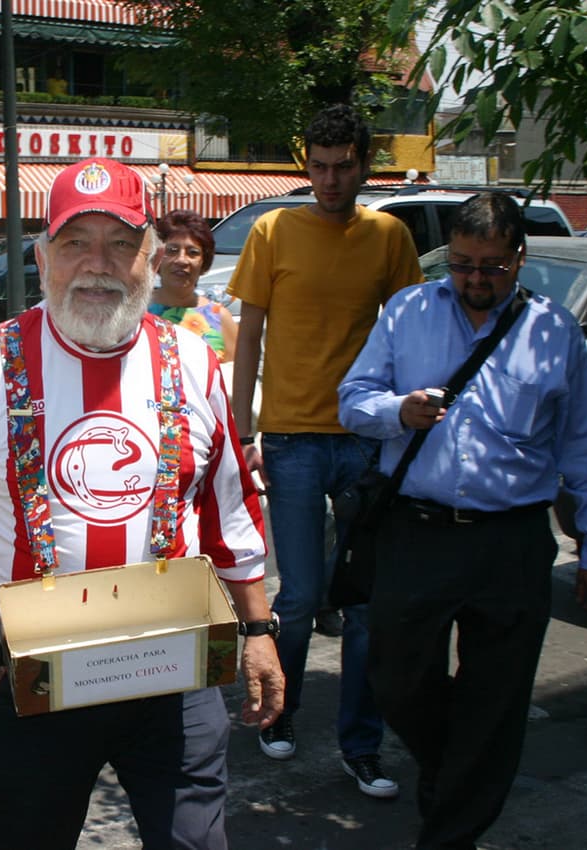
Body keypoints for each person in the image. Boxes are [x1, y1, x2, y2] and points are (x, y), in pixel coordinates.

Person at [0, 157, 283, 849]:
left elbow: (232, 511)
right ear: (43, 256)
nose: (97, 264)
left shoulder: (194, 362)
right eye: (76, 242)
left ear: (153, 257)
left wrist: (257, 634)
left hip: (175, 666)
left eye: (120, 243)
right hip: (31, 673)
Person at [339, 192, 587, 850]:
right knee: (396, 677)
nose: (474, 279)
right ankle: (459, 769)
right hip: (417, 531)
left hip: (511, 541)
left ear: (519, 259)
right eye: (462, 264)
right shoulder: (408, 312)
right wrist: (395, 411)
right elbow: (352, 400)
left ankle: (450, 833)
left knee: (496, 698)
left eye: (492, 266)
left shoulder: (554, 331)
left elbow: (583, 447)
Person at [227, 103, 420, 797]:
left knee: (366, 602)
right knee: (303, 596)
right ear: (305, 165)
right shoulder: (274, 229)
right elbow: (247, 335)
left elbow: (410, 339)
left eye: (344, 167)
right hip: (291, 440)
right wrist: (241, 428)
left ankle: (361, 744)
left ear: (366, 165)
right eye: (319, 166)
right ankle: (281, 709)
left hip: (368, 442)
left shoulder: (389, 236)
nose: (331, 181)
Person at [150, 209, 238, 363]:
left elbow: (235, 376)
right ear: (157, 257)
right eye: (172, 250)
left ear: (204, 261)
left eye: (192, 252)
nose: (182, 260)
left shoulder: (220, 318)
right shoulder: (135, 313)